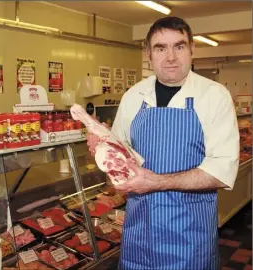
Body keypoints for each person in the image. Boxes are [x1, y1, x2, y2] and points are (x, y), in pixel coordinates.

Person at [87, 16, 240, 269]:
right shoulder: (133, 96)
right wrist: (105, 146)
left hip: (189, 237)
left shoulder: (214, 96)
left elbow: (222, 172)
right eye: (160, 48)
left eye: (179, 46)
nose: (170, 57)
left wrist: (156, 182)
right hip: (138, 233)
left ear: (192, 49)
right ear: (148, 53)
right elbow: (118, 166)